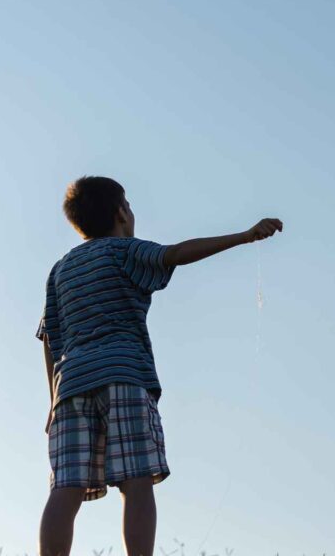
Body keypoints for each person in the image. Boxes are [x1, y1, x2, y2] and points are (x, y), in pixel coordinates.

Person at [36, 176, 282, 556]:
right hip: (124, 376)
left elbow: (50, 338)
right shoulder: (124, 251)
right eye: (129, 205)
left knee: (65, 488)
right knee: (136, 481)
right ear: (121, 213)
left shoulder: (61, 269)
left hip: (70, 387)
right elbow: (176, 253)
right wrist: (243, 236)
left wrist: (53, 401)